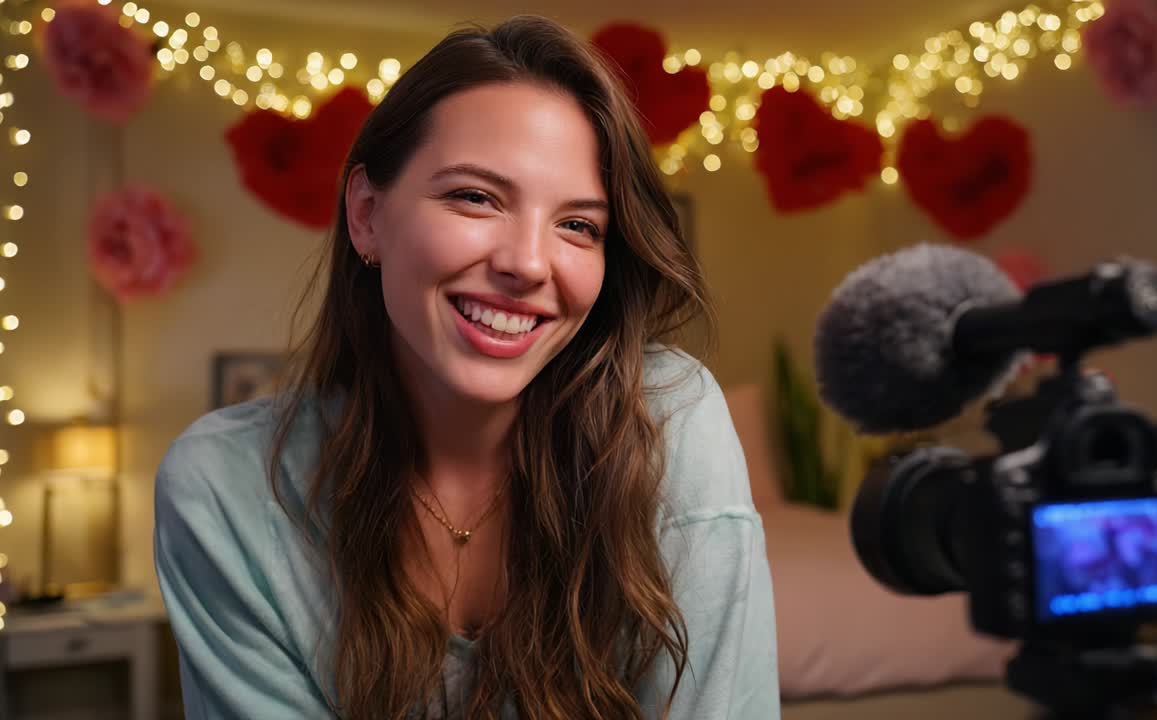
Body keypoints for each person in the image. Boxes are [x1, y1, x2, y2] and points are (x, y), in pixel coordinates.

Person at [153, 14, 779, 720]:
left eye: (578, 225)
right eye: (475, 197)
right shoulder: (224, 487)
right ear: (367, 214)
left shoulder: (668, 417)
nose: (528, 263)